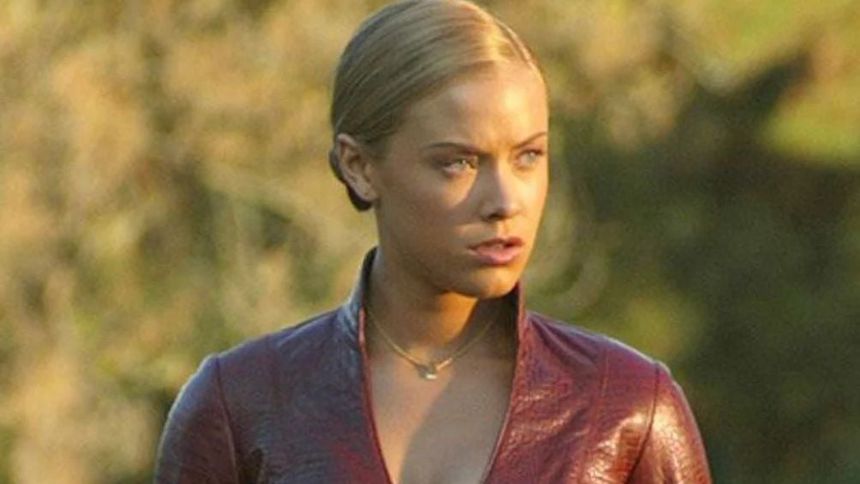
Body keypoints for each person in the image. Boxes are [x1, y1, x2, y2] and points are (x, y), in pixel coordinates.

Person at [155, 0, 712, 482]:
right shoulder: (242, 405)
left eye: (528, 156)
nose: (505, 201)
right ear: (359, 167)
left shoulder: (625, 406)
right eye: (458, 162)